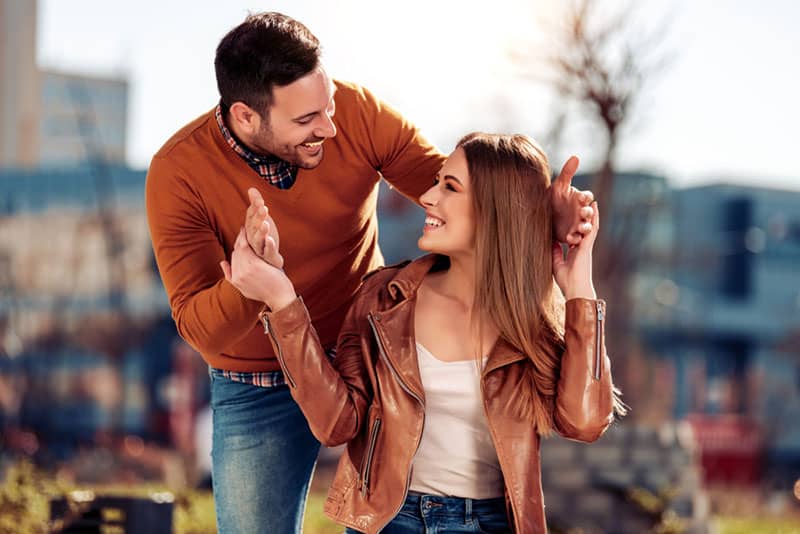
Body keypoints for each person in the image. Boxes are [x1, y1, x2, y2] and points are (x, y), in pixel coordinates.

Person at [146, 12, 596, 534]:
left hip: (371, 353)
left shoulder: (359, 115)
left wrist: (543, 219)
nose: (329, 128)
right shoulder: (179, 172)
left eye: (329, 104)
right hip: (258, 376)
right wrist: (254, 284)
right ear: (247, 116)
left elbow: (464, 197)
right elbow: (199, 328)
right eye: (307, 119)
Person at [222, 132, 625, 533]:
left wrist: (578, 286)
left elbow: (585, 422)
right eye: (436, 182)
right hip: (387, 522)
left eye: (450, 186)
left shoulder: (530, 322)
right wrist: (282, 301)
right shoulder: (385, 299)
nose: (428, 197)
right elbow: (336, 425)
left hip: (491, 524)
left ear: (495, 208)